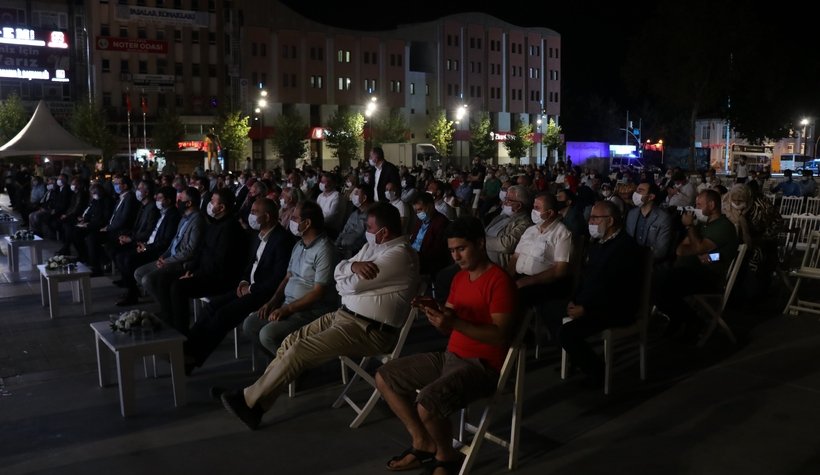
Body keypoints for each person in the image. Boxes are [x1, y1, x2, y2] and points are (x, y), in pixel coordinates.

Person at [218, 202, 420, 430]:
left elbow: (348, 287)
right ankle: (255, 404)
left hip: (369, 330)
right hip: (345, 317)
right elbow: (340, 271)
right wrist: (352, 268)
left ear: (383, 232)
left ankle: (249, 400)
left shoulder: (400, 256)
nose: (367, 232)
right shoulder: (373, 248)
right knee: (290, 342)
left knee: (299, 350)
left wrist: (348, 274)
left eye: (370, 228)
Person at [374, 215, 518, 473]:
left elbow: (500, 336)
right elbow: (449, 318)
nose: (456, 256)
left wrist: (453, 324)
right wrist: (435, 313)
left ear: (480, 244)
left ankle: (447, 456)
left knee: (427, 403)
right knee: (386, 376)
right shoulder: (460, 279)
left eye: (461, 249)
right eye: (452, 250)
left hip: (481, 366)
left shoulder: (499, 281)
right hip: (452, 355)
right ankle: (423, 443)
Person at [184, 198, 296, 371]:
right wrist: (244, 282)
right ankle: (186, 349)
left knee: (223, 315)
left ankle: (194, 358)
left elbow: (277, 279)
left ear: (266, 216)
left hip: (264, 293)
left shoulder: (282, 240)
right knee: (212, 306)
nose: (250, 215)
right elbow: (249, 265)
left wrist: (250, 288)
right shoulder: (257, 237)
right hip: (248, 287)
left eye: (254, 212)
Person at [554, 200, 643, 387]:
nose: (590, 222)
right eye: (590, 218)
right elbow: (588, 278)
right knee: (555, 311)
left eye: (595, 218)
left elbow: (617, 288)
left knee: (567, 334)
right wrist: (574, 300)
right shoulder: (598, 244)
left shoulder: (625, 247)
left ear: (610, 221)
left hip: (614, 307)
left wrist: (586, 309)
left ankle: (598, 373)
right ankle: (579, 361)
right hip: (593, 302)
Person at [242, 200, 340, 357]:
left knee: (267, 335)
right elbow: (288, 276)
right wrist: (272, 302)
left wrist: (287, 309)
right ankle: (280, 367)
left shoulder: (325, 250)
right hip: (289, 304)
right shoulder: (299, 245)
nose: (290, 221)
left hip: (313, 311)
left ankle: (294, 370)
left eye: (294, 218)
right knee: (250, 325)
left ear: (307, 223)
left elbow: (318, 292)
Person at [654, 189, 739, 341]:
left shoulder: (723, 226)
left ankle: (689, 320)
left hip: (707, 276)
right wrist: (697, 247)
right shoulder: (702, 226)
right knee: (653, 281)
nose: (696, 208)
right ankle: (683, 318)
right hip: (688, 271)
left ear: (712, 205)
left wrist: (690, 228)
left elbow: (700, 250)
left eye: (699, 204)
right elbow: (681, 250)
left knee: (661, 283)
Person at [165, 188, 248, 333]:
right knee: (165, 278)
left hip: (220, 279)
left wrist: (195, 275)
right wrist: (191, 270)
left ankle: (181, 333)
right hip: (205, 272)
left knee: (178, 287)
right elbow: (202, 251)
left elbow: (220, 263)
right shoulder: (215, 223)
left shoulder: (230, 228)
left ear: (221, 207)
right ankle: (170, 324)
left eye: (212, 202)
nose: (209, 204)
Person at [134, 187, 205, 330]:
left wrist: (167, 261)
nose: (177, 201)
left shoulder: (197, 221)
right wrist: (164, 256)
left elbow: (190, 251)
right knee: (139, 273)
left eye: (181, 199)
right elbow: (174, 241)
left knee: (148, 279)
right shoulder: (184, 217)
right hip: (169, 258)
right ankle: (167, 306)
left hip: (180, 263)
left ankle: (169, 312)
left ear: (189, 203)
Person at [114, 186, 181, 306]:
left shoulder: (173, 216)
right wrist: (143, 244)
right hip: (149, 245)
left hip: (158, 251)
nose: (157, 200)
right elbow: (153, 233)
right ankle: (132, 290)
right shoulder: (162, 213)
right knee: (120, 255)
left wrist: (146, 248)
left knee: (129, 260)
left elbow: (165, 242)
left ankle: (132, 295)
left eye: (160, 198)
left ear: (168, 201)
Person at [484, 185, 533, 268]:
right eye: (505, 199)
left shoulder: (525, 223)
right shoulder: (502, 216)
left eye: (508, 200)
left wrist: (480, 241)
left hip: (498, 268)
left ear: (519, 205)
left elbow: (507, 245)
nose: (504, 202)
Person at [625, 181, 674, 264]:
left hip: (650, 263)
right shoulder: (632, 214)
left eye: (640, 191)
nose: (635, 194)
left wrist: (639, 259)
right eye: (636, 191)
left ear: (651, 196)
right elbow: (627, 240)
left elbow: (661, 251)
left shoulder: (663, 218)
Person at [410, 192, 451, 283]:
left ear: (430, 206)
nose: (418, 213)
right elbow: (413, 240)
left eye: (420, 209)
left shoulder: (441, 223)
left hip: (426, 262)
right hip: (413, 256)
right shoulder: (420, 221)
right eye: (416, 211)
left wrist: (415, 257)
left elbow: (437, 252)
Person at [336, 183, 372, 259]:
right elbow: (344, 231)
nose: (353, 196)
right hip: (343, 249)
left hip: (357, 254)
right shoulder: (354, 214)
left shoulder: (371, 217)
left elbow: (364, 240)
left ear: (364, 198)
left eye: (356, 194)